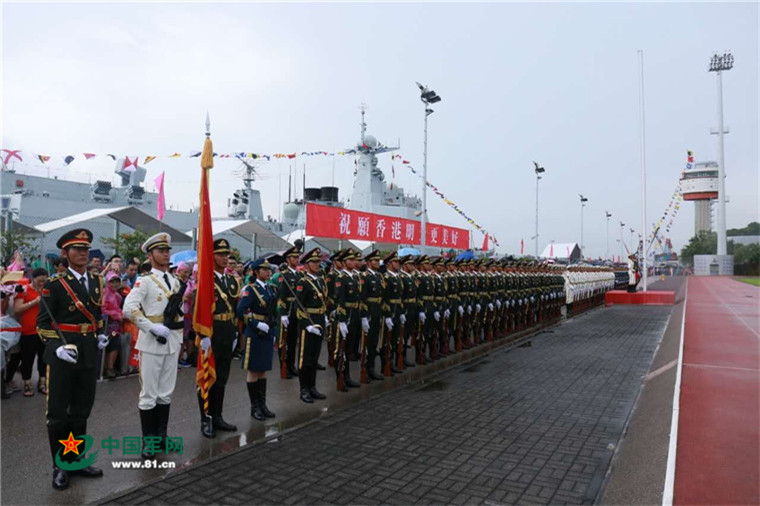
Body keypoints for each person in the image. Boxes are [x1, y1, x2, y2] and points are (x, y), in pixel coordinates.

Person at [36, 228, 108, 490]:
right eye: (77, 249)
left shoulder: (97, 281)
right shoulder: (55, 285)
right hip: (63, 353)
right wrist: (56, 347)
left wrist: (100, 334)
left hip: (88, 350)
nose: (83, 253)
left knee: (80, 410)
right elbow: (43, 324)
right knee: (57, 412)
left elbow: (96, 315)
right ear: (65, 253)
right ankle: (59, 465)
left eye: (86, 249)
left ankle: (75, 459)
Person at [123, 233, 184, 459]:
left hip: (172, 340)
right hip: (152, 341)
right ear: (150, 255)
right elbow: (128, 308)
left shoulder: (176, 281)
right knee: (149, 394)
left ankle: (161, 436)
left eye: (167, 250)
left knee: (165, 393)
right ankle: (148, 441)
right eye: (161, 251)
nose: (166, 254)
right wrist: (150, 327)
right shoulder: (145, 280)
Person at [199, 239, 240, 437]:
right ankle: (205, 419)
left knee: (222, 376)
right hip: (211, 332)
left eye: (227, 255)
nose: (225, 258)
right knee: (207, 377)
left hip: (226, 331)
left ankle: (218, 416)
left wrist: (235, 332)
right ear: (212, 256)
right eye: (221, 254)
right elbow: (200, 310)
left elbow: (234, 307)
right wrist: (202, 335)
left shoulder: (232, 280)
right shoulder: (206, 280)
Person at [237, 258, 277, 420]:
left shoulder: (270, 289)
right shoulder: (250, 290)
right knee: (254, 369)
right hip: (255, 333)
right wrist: (255, 323)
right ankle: (255, 408)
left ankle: (263, 404)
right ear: (256, 272)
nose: (268, 272)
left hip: (267, 331)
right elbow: (241, 310)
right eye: (264, 269)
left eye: (269, 269)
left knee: (263, 369)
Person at [7, 268, 48, 396]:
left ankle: (42, 382)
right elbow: (17, 309)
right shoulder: (24, 290)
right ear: (33, 279)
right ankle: (27, 383)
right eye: (39, 281)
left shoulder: (47, 291)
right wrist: (35, 302)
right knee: (27, 359)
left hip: (44, 330)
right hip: (28, 331)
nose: (41, 283)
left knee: (44, 358)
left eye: (44, 281)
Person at [295, 247, 328, 403]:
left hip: (319, 320)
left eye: (318, 262)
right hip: (308, 323)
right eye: (314, 262)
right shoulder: (302, 282)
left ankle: (313, 387)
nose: (317, 264)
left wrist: (325, 317)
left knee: (314, 357)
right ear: (307, 265)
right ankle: (304, 390)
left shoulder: (320, 280)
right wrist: (307, 324)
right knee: (305, 358)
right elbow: (298, 306)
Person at [277, 244, 303, 379]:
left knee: (293, 340)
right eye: (294, 257)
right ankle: (284, 366)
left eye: (298, 257)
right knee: (284, 341)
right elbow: (281, 297)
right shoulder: (284, 275)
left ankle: (292, 365)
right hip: (287, 311)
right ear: (288, 259)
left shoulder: (299, 274)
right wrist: (282, 314)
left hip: (296, 310)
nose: (297, 259)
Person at [101, 272, 124, 380]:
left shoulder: (118, 295)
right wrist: (115, 315)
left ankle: (109, 367)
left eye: (117, 282)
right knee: (111, 345)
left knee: (114, 345)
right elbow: (103, 310)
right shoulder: (104, 294)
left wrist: (121, 314)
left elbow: (118, 308)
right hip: (107, 325)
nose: (115, 284)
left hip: (116, 325)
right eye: (112, 282)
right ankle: (108, 368)